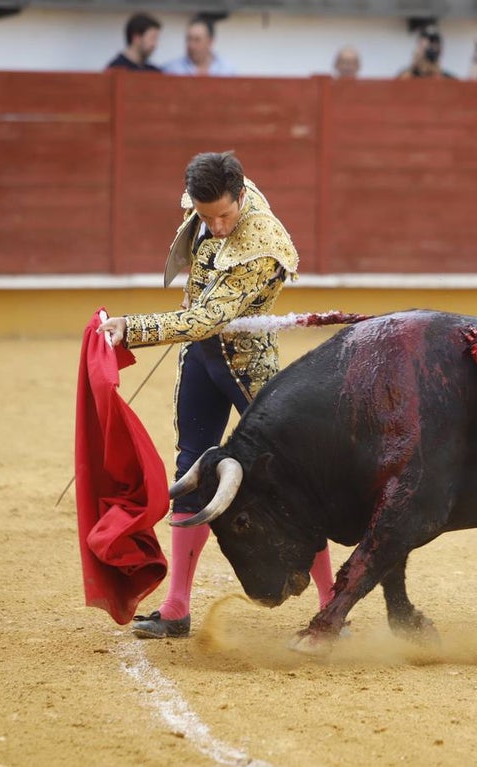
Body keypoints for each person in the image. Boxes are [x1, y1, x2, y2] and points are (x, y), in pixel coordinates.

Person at [96, 151, 334, 639]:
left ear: (242, 196)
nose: (218, 227)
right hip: (202, 360)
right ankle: (176, 606)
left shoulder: (263, 244)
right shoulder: (207, 196)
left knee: (294, 480)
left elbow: (207, 318)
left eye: (225, 215)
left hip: (248, 367)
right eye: (207, 217)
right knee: (190, 470)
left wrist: (132, 327)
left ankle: (332, 607)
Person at [162, 15, 233, 76]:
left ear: (210, 42)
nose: (191, 45)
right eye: (189, 39)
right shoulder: (171, 70)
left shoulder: (227, 71)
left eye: (197, 40)